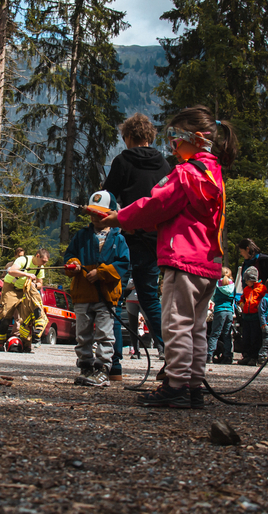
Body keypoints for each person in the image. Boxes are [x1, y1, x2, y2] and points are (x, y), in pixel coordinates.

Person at [100, 104, 238, 408]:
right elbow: (173, 214)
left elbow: (154, 204)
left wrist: (117, 218)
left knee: (176, 322)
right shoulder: (211, 173)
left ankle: (175, 385)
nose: (172, 146)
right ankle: (192, 386)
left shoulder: (187, 174)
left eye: (176, 137)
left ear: (198, 139)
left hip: (183, 261)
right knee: (197, 327)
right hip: (208, 264)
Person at [104, 112, 172, 360]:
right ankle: (166, 350)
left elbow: (107, 198)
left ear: (130, 136)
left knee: (114, 298)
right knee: (149, 298)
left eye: (124, 137)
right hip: (153, 241)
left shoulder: (123, 161)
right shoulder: (165, 165)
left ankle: (113, 359)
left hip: (125, 238)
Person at [64, 190, 131, 387]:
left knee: (104, 333)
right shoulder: (81, 236)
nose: (96, 218)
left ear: (111, 215)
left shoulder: (119, 239)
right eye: (93, 213)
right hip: (82, 294)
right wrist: (74, 264)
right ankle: (86, 367)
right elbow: (69, 256)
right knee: (82, 333)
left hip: (106, 296)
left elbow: (123, 263)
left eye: (101, 214)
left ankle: (102, 369)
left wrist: (102, 273)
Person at [0, 248, 50, 352]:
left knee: (26, 318)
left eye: (46, 262)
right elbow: (11, 271)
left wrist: (35, 284)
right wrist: (27, 274)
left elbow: (40, 283)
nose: (44, 264)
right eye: (43, 261)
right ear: (37, 256)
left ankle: (27, 344)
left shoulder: (40, 268)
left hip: (25, 290)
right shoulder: (23, 260)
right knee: (5, 316)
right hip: (11, 288)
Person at [238, 267, 265, 366]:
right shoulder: (246, 289)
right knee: (246, 337)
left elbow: (266, 298)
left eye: (247, 280)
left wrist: (260, 305)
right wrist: (241, 304)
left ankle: (254, 357)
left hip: (255, 316)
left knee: (255, 337)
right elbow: (242, 299)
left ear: (252, 280)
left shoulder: (262, 288)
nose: (245, 282)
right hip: (246, 316)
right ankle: (246, 355)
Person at [208, 267, 236, 364]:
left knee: (215, 334)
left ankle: (210, 355)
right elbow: (234, 299)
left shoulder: (216, 284)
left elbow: (212, 297)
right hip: (229, 312)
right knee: (227, 334)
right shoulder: (232, 285)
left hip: (219, 311)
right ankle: (228, 356)